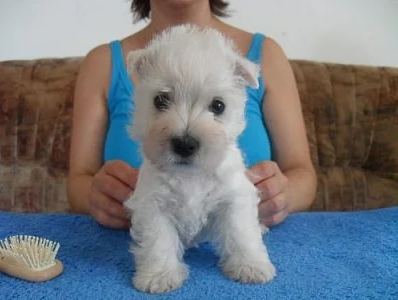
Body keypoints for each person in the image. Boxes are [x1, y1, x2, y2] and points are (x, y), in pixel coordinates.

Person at [67, 0, 317, 230]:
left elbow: (302, 175)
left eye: (217, 106)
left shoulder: (265, 55)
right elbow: (77, 183)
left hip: (243, 241)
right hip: (132, 246)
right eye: (162, 101)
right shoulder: (103, 63)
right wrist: (95, 195)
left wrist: (283, 195)